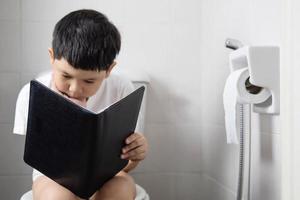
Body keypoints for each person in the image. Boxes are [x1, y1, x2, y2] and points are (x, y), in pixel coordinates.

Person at [13, 9, 148, 200]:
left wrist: (135, 155)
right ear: (52, 57)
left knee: (121, 188)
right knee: (57, 196)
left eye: (89, 81)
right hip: (53, 178)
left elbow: (126, 166)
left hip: (110, 177)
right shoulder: (33, 93)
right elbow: (37, 158)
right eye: (66, 76)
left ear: (109, 69)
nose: (75, 89)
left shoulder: (121, 88)